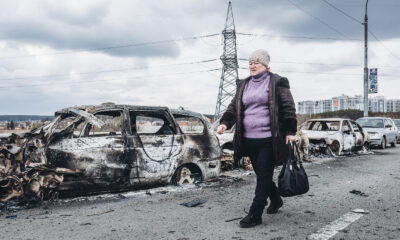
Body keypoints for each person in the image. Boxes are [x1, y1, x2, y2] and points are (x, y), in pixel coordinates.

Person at [217, 49, 297, 228]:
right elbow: (233, 107)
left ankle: (255, 213)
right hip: (248, 139)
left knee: (263, 177)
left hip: (269, 138)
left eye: (257, 62)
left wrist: (290, 131)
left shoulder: (277, 82)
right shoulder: (244, 84)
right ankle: (276, 200)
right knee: (262, 174)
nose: (252, 65)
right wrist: (225, 123)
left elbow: (288, 107)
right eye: (250, 62)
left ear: (266, 65)